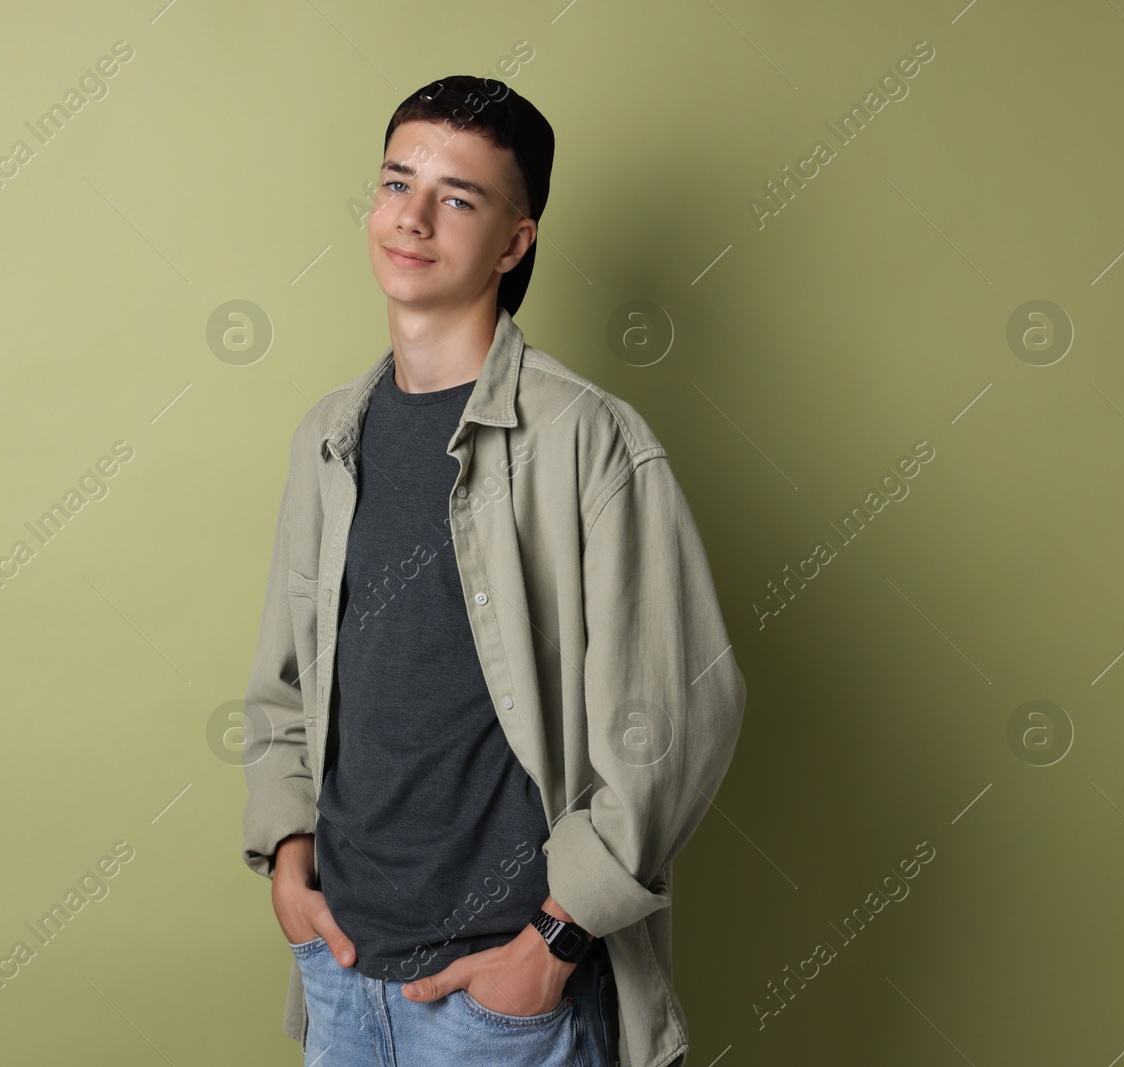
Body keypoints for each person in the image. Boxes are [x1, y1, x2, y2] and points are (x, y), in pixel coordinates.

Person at [242, 74, 746, 1067]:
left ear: (516, 241)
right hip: (339, 973)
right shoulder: (329, 437)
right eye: (397, 184)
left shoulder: (587, 441)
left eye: (457, 198)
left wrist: (555, 938)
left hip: (506, 998)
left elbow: (681, 710)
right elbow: (281, 689)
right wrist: (289, 863)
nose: (413, 217)